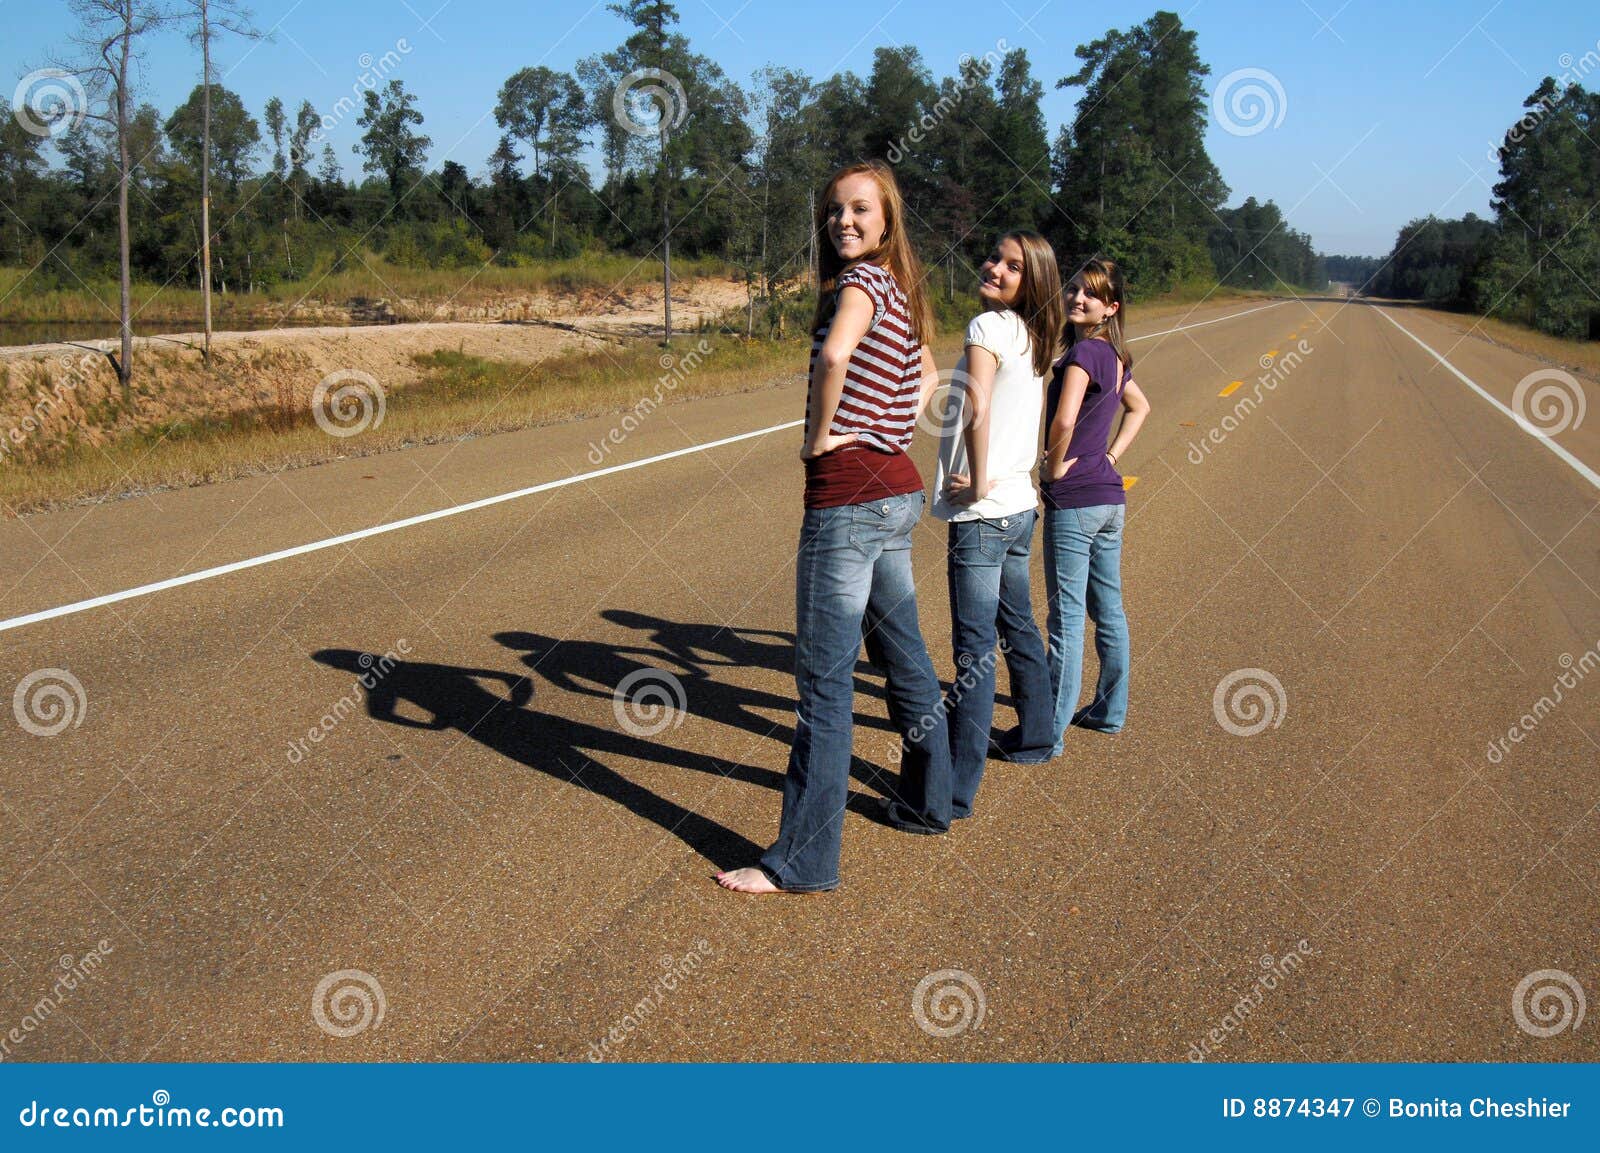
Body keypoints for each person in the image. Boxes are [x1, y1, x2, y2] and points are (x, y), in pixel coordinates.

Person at [716, 160, 947, 894]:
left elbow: (839, 354)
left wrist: (822, 436)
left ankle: (803, 861)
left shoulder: (858, 285)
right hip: (896, 490)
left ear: (887, 220)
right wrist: (889, 427)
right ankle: (930, 799)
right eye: (835, 210)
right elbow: (931, 377)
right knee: (904, 655)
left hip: (846, 498)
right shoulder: (901, 289)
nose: (843, 220)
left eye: (860, 209)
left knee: (824, 683)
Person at [932, 230, 1063, 816]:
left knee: (974, 648)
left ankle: (955, 790)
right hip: (1019, 507)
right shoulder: (1035, 334)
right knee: (1018, 625)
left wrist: (979, 479)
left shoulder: (987, 327)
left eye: (1014, 266)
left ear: (1033, 280)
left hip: (985, 512)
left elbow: (978, 406)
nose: (996, 269)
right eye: (995, 258)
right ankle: (1036, 736)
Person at [1039, 257, 1151, 754]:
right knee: (1108, 609)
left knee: (1065, 619)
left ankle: (1049, 733)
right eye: (1074, 289)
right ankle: (1109, 711)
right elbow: (1140, 407)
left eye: (1091, 294)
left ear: (1111, 307)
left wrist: (1053, 467)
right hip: (1109, 498)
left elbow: (1064, 421)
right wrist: (1109, 456)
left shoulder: (1084, 353)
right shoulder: (1115, 355)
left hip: (1076, 501)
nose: (1077, 298)